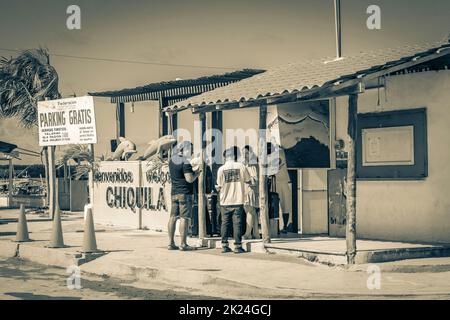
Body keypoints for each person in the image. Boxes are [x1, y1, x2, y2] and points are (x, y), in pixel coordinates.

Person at [216, 146, 251, 254]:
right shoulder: (241, 166)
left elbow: (219, 185)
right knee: (237, 223)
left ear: (226, 157)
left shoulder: (221, 169)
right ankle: (237, 246)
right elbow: (248, 180)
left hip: (225, 200)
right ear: (235, 156)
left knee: (225, 223)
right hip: (238, 199)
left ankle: (224, 245)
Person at [167, 141, 201, 251]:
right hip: (185, 193)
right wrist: (197, 173)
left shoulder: (172, 160)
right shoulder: (185, 162)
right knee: (184, 218)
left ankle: (171, 243)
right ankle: (183, 244)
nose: (191, 152)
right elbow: (189, 179)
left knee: (172, 217)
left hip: (174, 192)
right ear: (184, 149)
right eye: (190, 150)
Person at [242, 145, 260, 240]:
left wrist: (245, 180)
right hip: (250, 190)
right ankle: (256, 233)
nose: (244, 155)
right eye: (243, 153)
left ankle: (248, 233)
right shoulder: (250, 163)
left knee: (249, 212)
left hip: (250, 190)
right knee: (253, 213)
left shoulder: (252, 164)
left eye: (246, 153)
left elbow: (255, 180)